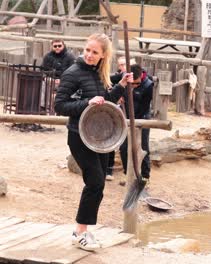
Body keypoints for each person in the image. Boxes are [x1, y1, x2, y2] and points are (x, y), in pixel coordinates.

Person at [54, 33, 133, 251]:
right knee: (96, 182)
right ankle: (79, 233)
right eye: (88, 50)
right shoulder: (73, 73)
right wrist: (87, 102)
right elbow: (59, 105)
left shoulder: (99, 74)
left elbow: (103, 102)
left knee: (98, 185)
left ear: (103, 55)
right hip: (78, 136)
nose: (89, 55)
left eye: (95, 52)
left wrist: (121, 86)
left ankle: (83, 230)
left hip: (100, 136)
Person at [119, 64, 154, 184]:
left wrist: (134, 122)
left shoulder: (149, 85)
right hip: (126, 118)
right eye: (131, 84)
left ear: (141, 76)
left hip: (142, 118)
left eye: (136, 84)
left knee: (143, 147)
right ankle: (127, 174)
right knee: (123, 147)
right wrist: (120, 96)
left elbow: (144, 107)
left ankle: (145, 176)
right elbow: (115, 88)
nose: (133, 86)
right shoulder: (124, 78)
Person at [105, 56, 136, 182]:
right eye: (122, 65)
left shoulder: (140, 78)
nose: (124, 67)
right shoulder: (115, 78)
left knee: (131, 145)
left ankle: (129, 173)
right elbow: (108, 86)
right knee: (111, 139)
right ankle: (108, 169)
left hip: (133, 116)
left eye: (127, 64)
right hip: (116, 114)